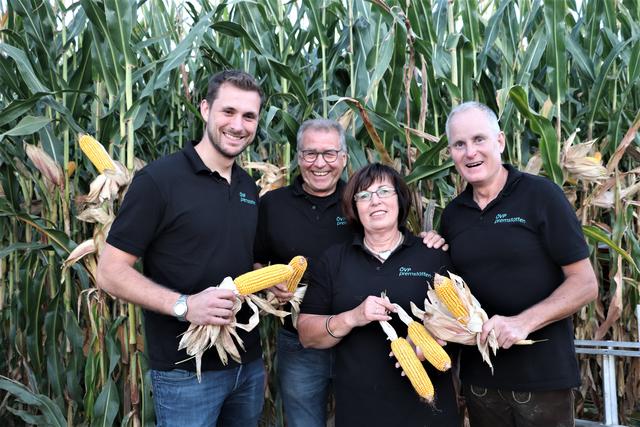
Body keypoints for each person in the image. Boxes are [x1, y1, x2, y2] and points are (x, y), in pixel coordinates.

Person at [96, 70, 289, 427]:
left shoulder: (248, 186)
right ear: (205, 109)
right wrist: (185, 306)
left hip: (246, 365)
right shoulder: (159, 181)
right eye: (228, 112)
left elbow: (237, 257)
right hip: (185, 372)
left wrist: (267, 280)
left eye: (249, 116)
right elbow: (110, 271)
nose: (238, 125)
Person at [440, 101, 598, 427]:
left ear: (500, 141)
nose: (470, 152)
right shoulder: (453, 214)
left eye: (479, 140)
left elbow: (585, 283)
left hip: (542, 380)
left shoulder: (541, 197)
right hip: (480, 381)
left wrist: (523, 322)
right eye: (459, 144)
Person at [297, 163, 461, 427]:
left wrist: (429, 343)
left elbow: (462, 322)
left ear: (400, 198)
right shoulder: (333, 260)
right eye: (363, 195)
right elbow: (306, 335)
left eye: (384, 191)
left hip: (429, 413)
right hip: (361, 410)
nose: (375, 202)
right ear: (354, 207)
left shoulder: (432, 254)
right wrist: (352, 317)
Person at [253, 119, 351, 427]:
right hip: (299, 341)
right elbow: (255, 259)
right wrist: (268, 282)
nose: (319, 163)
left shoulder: (360, 201)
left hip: (358, 338)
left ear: (344, 158)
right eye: (310, 153)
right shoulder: (272, 204)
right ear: (298, 157)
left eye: (330, 154)